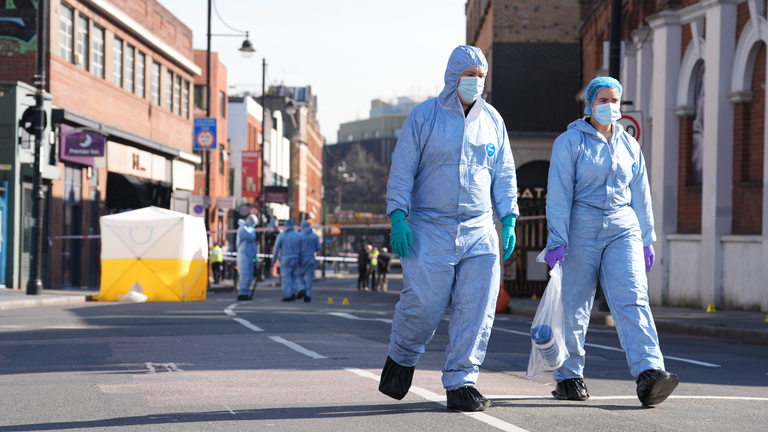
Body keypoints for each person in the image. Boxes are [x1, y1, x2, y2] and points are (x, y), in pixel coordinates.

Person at [379, 45, 518, 412]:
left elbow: (503, 174)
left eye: (480, 75)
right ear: (452, 76)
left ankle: (461, 381)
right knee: (424, 303)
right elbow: (403, 168)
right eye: (469, 74)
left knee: (477, 307)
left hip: (478, 228)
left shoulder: (493, 120)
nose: (476, 82)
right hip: (429, 226)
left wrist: (508, 219)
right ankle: (402, 357)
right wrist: (398, 215)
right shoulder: (424, 116)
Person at [543, 76, 678, 406]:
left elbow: (641, 195)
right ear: (589, 105)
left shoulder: (630, 144)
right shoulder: (569, 142)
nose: (610, 106)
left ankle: (650, 372)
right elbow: (558, 193)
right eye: (603, 100)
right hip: (580, 229)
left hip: (623, 228)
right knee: (575, 305)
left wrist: (647, 238)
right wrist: (556, 238)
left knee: (633, 297)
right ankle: (569, 376)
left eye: (615, 100)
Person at [272, 219, 302, 301]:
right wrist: (300, 260)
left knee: (286, 277)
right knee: (294, 276)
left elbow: (276, 249)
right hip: (295, 258)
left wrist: (273, 260)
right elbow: (301, 249)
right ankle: (293, 292)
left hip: (285, 259)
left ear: (285, 225)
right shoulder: (298, 235)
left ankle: (288, 295)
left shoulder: (281, 236)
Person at [296, 220, 322, 302]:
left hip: (301, 259)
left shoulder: (299, 236)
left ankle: (302, 288)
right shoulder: (314, 236)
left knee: (297, 275)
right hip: (311, 259)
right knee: (309, 278)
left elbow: (297, 248)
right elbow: (318, 247)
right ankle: (308, 295)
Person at [235, 215, 259, 301]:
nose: (253, 225)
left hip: (248, 255)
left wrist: (255, 255)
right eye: (253, 223)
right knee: (244, 275)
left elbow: (253, 244)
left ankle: (245, 292)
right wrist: (252, 231)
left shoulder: (249, 229)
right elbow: (251, 237)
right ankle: (242, 293)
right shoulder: (243, 228)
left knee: (249, 275)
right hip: (243, 255)